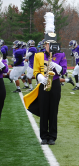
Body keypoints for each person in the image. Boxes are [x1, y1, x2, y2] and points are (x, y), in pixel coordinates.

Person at [24, 12, 67, 145]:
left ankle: (52, 136)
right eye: (48, 44)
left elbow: (64, 71)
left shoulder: (61, 55)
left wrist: (56, 66)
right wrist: (40, 76)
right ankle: (44, 136)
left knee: (53, 111)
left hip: (55, 84)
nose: (50, 46)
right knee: (44, 110)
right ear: (45, 44)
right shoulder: (38, 55)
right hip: (43, 85)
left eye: (52, 43)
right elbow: (35, 71)